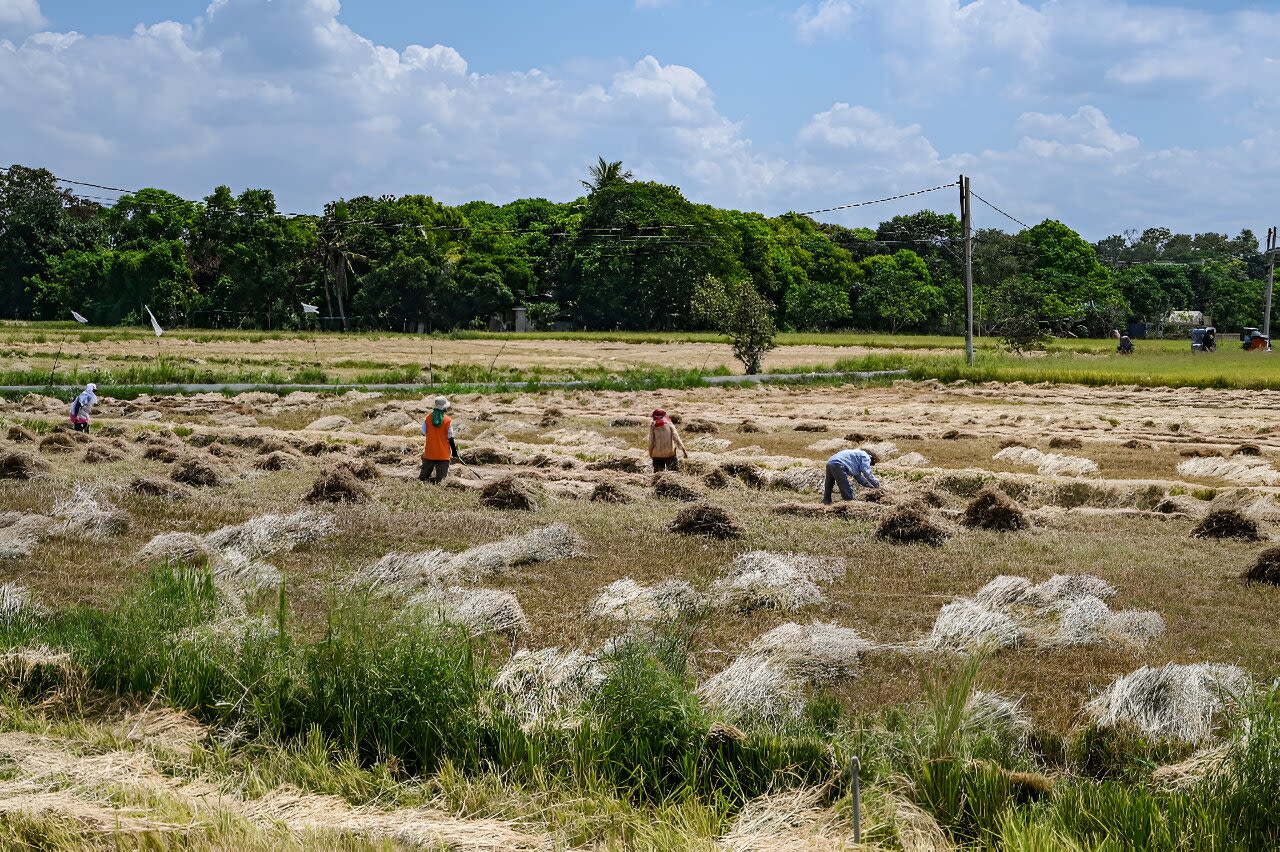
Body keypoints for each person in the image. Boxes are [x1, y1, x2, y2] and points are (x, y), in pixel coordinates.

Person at [420, 396, 458, 484]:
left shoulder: (427, 418)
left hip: (429, 453)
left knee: (423, 479)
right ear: (445, 408)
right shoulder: (447, 420)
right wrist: (454, 452)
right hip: (443, 455)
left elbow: (423, 432)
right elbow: (451, 438)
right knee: (441, 482)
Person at [648, 408, 688, 472]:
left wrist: (650, 453)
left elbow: (651, 441)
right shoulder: (669, 423)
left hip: (657, 454)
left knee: (658, 475)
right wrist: (684, 451)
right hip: (669, 453)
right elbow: (676, 438)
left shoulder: (653, 425)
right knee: (674, 473)